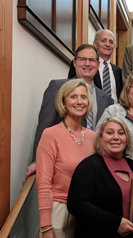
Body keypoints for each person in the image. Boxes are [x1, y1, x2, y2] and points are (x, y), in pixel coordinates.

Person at [26, 44, 114, 179]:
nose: (87, 64)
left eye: (91, 60)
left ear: (97, 64)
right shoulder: (57, 87)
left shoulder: (107, 99)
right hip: (62, 168)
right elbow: (44, 126)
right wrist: (37, 160)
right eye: (82, 59)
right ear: (74, 62)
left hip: (95, 168)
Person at [67, 117, 133, 238]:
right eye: (110, 132)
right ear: (100, 137)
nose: (116, 137)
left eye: (121, 133)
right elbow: (76, 204)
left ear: (126, 138)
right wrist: (116, 223)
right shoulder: (89, 166)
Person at [36, 79, 96, 238]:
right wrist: (46, 226)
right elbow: (43, 182)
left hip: (85, 214)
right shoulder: (50, 134)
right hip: (59, 213)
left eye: (83, 97)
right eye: (73, 97)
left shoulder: (94, 137)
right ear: (63, 102)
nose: (79, 101)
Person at [68, 29, 123, 102]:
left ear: (114, 46)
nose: (107, 44)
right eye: (103, 40)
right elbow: (69, 88)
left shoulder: (119, 72)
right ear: (95, 44)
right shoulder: (83, 66)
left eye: (111, 42)